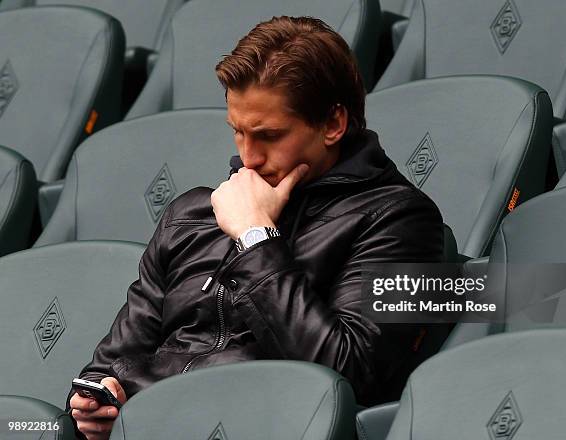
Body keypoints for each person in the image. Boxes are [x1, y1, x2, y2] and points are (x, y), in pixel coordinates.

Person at [69, 16, 445, 439]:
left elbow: (349, 375)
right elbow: (111, 363)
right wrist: (96, 404)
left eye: (268, 135)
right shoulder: (192, 214)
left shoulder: (401, 221)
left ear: (333, 124)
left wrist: (255, 238)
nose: (248, 158)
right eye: (238, 132)